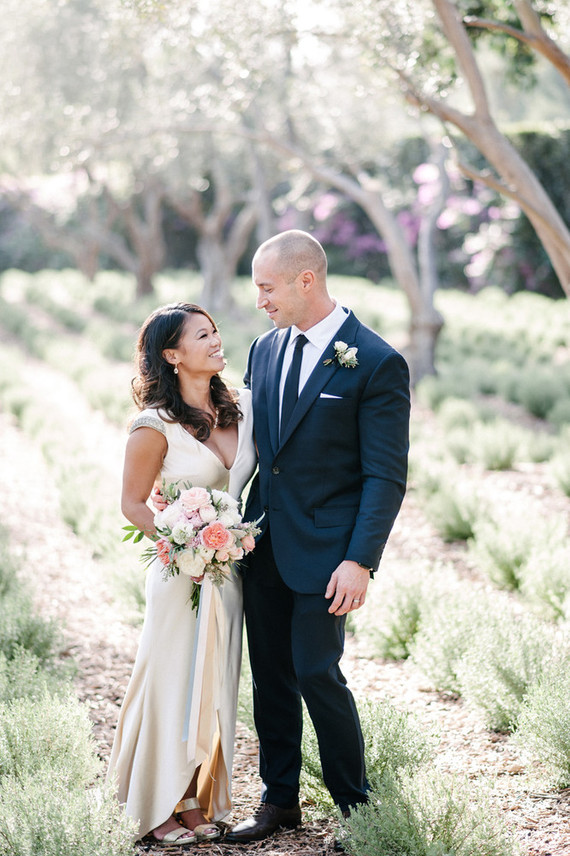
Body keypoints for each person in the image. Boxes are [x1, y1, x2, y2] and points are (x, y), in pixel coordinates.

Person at [225, 230, 410, 844]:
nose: (261, 302)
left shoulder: (377, 361)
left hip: (331, 555)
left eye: (267, 288)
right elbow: (260, 453)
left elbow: (385, 476)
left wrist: (361, 560)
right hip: (265, 544)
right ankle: (279, 802)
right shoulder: (265, 348)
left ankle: (358, 810)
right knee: (270, 676)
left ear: (307, 280)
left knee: (317, 674)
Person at [107, 302, 257, 846]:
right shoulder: (154, 426)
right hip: (180, 576)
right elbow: (132, 504)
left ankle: (194, 799)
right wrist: (185, 543)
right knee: (172, 682)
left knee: (214, 685)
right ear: (172, 355)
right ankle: (154, 805)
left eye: (216, 331)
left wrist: (222, 548)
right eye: (202, 335)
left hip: (229, 571)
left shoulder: (243, 407)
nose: (217, 340)